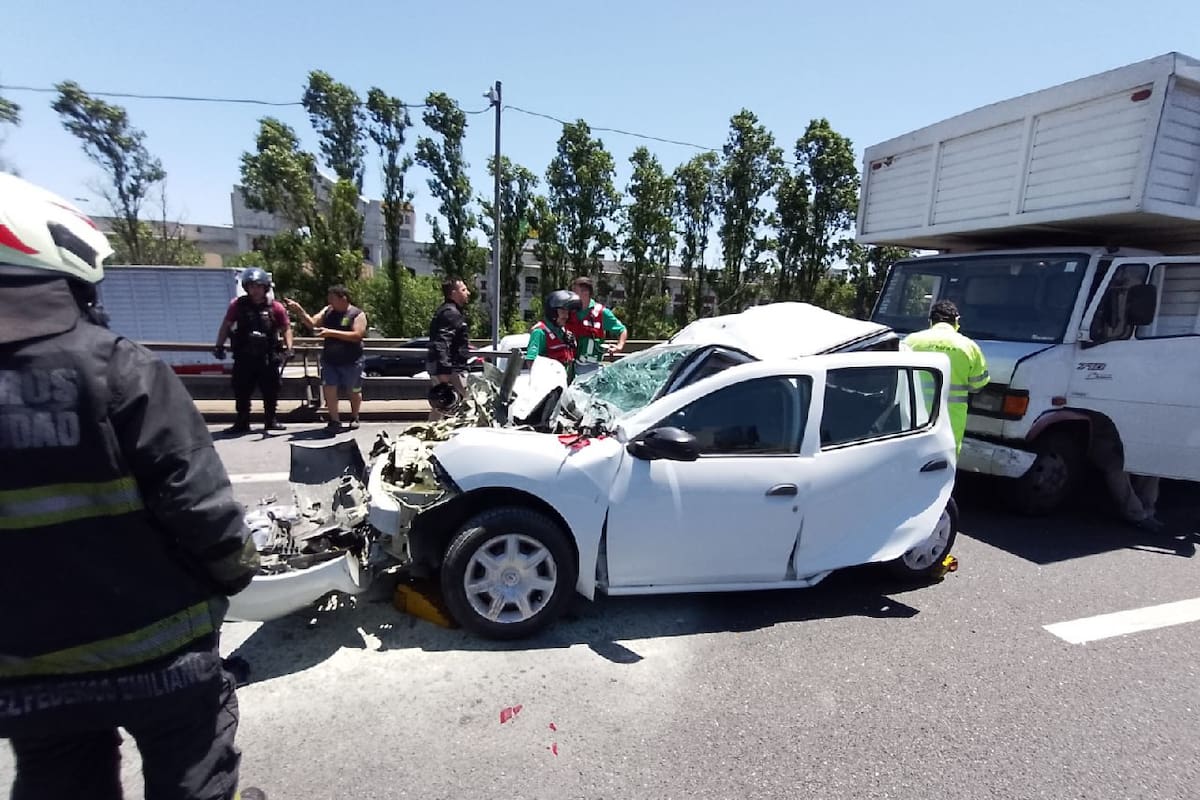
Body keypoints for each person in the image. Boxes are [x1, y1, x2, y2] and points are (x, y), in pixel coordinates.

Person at [0, 174, 259, 799]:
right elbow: (202, 509)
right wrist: (235, 577)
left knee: (58, 780)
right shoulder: (119, 367)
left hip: (32, 667)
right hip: (162, 652)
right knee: (193, 778)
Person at [902, 299, 989, 453]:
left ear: (930, 321)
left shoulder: (910, 342)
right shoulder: (969, 346)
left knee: (911, 459)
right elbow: (978, 384)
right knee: (945, 463)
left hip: (912, 415)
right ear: (956, 321)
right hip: (950, 419)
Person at [212, 267, 293, 434]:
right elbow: (226, 325)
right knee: (241, 390)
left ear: (265, 287)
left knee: (271, 390)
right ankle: (242, 422)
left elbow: (286, 328)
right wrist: (219, 345)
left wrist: (289, 348)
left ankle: (271, 420)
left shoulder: (275, 307)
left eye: (258, 286)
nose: (255, 290)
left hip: (267, 356)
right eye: (251, 286)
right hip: (244, 355)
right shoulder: (238, 305)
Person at [286, 286, 367, 433]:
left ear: (343, 298)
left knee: (353, 391)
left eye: (332, 298)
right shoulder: (327, 310)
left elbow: (357, 335)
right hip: (330, 360)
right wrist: (299, 310)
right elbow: (312, 323)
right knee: (329, 388)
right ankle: (335, 421)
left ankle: (354, 416)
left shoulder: (357, 314)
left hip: (352, 361)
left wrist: (331, 333)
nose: (329, 301)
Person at [426, 277, 472, 421]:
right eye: (463, 290)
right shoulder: (450, 313)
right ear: (453, 293)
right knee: (469, 402)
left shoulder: (448, 311)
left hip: (448, 367)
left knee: (442, 405)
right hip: (450, 369)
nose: (468, 293)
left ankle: (429, 433)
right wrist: (444, 370)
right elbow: (442, 341)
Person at [567, 276, 627, 377]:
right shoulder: (568, 310)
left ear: (585, 292)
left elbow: (622, 329)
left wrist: (619, 346)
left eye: (575, 291)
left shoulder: (601, 312)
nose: (572, 295)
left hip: (590, 366)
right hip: (569, 363)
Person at [525, 290, 581, 379]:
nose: (566, 316)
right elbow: (531, 360)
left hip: (565, 384)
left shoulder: (564, 332)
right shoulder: (540, 332)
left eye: (567, 312)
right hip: (549, 385)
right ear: (553, 312)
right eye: (562, 312)